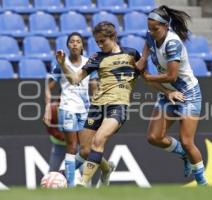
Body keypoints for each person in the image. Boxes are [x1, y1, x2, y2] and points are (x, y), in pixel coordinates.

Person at [56, 21, 145, 187]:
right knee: (85, 150)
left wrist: (168, 91)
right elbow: (75, 79)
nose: (99, 44)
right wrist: (62, 65)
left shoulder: (131, 54)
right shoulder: (97, 57)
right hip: (97, 106)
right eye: (97, 42)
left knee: (99, 140)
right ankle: (106, 168)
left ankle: (83, 182)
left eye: (102, 41)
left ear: (113, 37)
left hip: (118, 105)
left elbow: (146, 75)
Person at [138, 5, 207, 185]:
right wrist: (143, 59)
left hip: (188, 94)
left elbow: (171, 76)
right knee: (154, 137)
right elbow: (147, 43)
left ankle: (203, 184)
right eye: (150, 28)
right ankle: (184, 156)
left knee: (186, 141)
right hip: (168, 91)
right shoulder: (151, 35)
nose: (152, 32)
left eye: (156, 29)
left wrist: (147, 76)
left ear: (166, 26)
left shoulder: (172, 43)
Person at [43, 32, 98, 187]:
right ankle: (72, 185)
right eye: (72, 41)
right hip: (67, 108)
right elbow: (49, 87)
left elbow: (93, 87)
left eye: (78, 41)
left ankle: (86, 183)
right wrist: (48, 107)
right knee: (72, 147)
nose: (75, 44)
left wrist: (97, 105)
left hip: (85, 109)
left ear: (82, 46)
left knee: (86, 149)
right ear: (68, 45)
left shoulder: (90, 63)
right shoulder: (60, 63)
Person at [44, 101, 66, 172]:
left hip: (74, 145)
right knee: (52, 171)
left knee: (84, 170)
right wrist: (60, 136)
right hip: (58, 146)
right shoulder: (52, 109)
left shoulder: (77, 107)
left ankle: (87, 183)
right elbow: (49, 127)